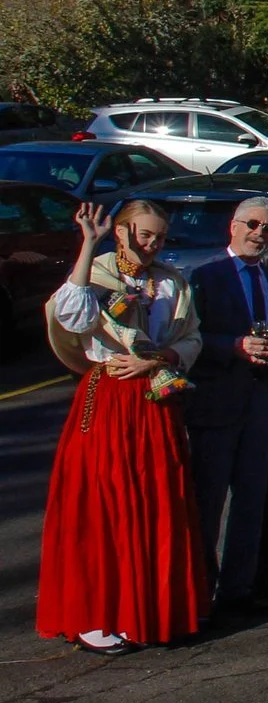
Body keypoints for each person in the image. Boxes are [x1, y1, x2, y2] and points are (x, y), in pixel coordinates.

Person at [39, 201, 212, 654]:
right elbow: (70, 316)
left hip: (154, 397)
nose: (151, 245)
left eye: (159, 237)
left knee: (157, 498)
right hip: (110, 398)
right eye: (143, 235)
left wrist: (159, 358)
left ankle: (151, 611)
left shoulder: (171, 281)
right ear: (120, 233)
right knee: (104, 501)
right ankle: (97, 613)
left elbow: (190, 336)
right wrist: (86, 244)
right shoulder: (96, 274)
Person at [187, 194, 268, 615]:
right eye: (251, 225)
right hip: (217, 400)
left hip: (263, 400)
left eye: (267, 228)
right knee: (208, 502)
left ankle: (238, 588)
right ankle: (198, 590)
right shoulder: (205, 276)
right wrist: (232, 346)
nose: (258, 234)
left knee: (253, 500)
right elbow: (188, 339)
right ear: (233, 226)